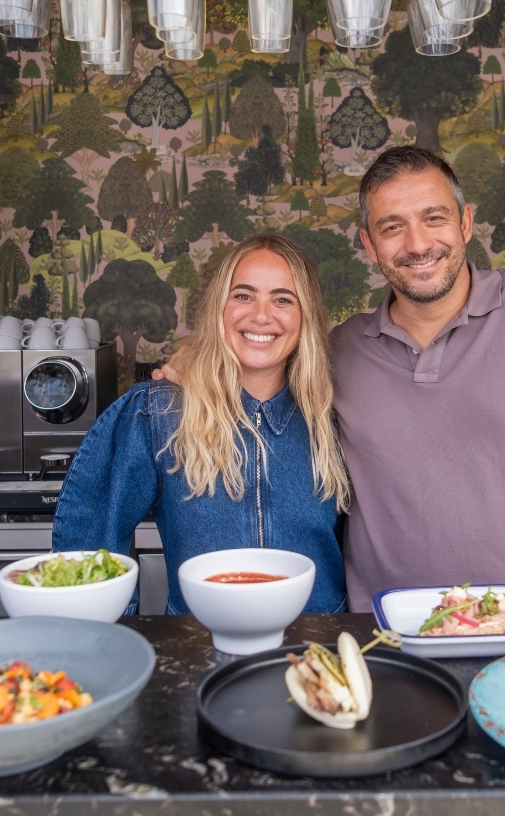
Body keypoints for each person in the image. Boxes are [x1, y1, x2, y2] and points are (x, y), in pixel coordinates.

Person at [159, 146, 505, 612]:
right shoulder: (338, 350)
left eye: (434, 218)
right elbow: (258, 355)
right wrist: (195, 357)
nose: (417, 244)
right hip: (382, 634)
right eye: (392, 227)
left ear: (466, 222)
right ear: (369, 244)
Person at [53, 234, 351, 614]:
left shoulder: (336, 413)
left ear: (305, 315)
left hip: (318, 651)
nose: (261, 315)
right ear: (218, 308)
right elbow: (92, 539)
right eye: (243, 295)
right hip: (199, 652)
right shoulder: (157, 411)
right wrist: (111, 642)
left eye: (282, 299)